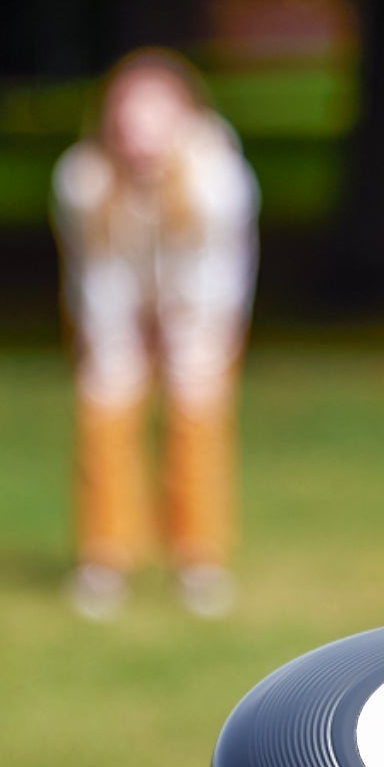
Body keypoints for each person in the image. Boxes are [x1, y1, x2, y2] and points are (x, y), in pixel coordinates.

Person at [52, 49, 259, 620]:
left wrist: (185, 335)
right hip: (114, 308)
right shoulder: (83, 180)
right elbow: (96, 274)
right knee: (105, 410)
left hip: (200, 310)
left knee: (197, 417)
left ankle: (199, 559)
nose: (139, 133)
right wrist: (117, 343)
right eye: (127, 116)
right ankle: (105, 558)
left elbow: (217, 274)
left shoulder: (218, 178)